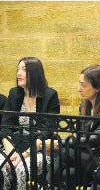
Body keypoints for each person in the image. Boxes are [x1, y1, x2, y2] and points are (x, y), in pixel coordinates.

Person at [48, 65, 100, 189]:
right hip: (87, 154)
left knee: (66, 152)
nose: (79, 89)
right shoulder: (85, 105)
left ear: (98, 88)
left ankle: (45, 186)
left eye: (83, 85)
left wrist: (59, 143)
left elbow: (95, 139)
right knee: (68, 173)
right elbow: (82, 137)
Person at [1, 57, 60, 190]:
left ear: (35, 73)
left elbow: (47, 131)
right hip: (15, 147)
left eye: (24, 70)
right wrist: (12, 154)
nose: (18, 73)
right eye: (18, 69)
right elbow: (5, 127)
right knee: (2, 166)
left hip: (39, 150)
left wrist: (24, 155)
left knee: (22, 169)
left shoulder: (50, 95)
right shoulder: (14, 93)